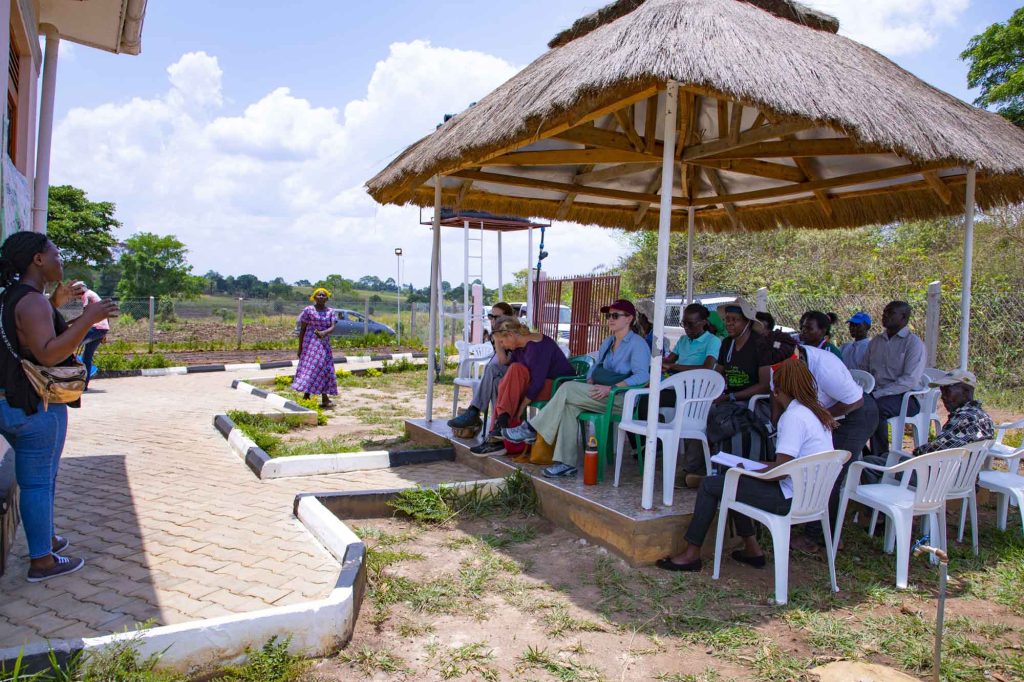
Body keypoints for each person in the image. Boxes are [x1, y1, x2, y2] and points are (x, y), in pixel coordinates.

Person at [0, 232, 118, 581]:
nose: (59, 260)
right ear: (37, 259)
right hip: (36, 407)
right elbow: (48, 352)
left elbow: (29, 338)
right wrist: (89, 316)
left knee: (37, 481)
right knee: (39, 483)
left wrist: (56, 304)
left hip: (11, 404)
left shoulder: (16, 298)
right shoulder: (31, 301)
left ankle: (45, 539)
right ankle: (42, 561)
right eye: (55, 254)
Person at [656, 358, 835, 572]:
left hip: (789, 498)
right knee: (735, 479)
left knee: (712, 485)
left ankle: (691, 553)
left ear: (777, 391)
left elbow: (781, 471)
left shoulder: (794, 417)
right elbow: (790, 464)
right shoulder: (818, 413)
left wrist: (750, 468)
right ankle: (752, 549)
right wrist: (751, 467)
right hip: (812, 497)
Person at [502, 299, 649, 478]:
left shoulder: (637, 344)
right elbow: (595, 367)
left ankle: (532, 428)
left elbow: (643, 376)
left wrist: (611, 388)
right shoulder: (609, 341)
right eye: (609, 315)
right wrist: (589, 381)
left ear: (629, 319)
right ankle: (566, 463)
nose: (610, 319)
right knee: (569, 407)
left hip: (620, 398)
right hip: (599, 394)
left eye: (615, 315)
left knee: (568, 388)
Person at [784, 344, 878, 550]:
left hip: (856, 413)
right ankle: (816, 525)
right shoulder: (784, 362)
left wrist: (817, 418)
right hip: (828, 413)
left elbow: (856, 401)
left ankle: (820, 538)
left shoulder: (825, 365)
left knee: (830, 473)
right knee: (817, 468)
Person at [860, 369, 994, 482]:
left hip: (938, 479)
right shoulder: (980, 415)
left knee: (868, 464)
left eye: (948, 391)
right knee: (885, 458)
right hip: (959, 476)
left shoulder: (964, 416)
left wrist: (916, 452)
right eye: (942, 392)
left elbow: (936, 450)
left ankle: (878, 511)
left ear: (966, 391)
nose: (944, 397)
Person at [486, 316, 574, 439]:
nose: (502, 346)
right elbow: (507, 366)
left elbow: (537, 382)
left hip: (558, 387)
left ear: (510, 335)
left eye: (501, 342)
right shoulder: (519, 347)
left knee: (509, 383)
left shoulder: (537, 346)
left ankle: (500, 428)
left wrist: (522, 407)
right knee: (512, 372)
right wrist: (497, 342)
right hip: (539, 385)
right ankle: (502, 425)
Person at [860, 301, 926, 454]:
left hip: (904, 397)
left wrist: (877, 394)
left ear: (903, 317)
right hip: (875, 393)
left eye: (890, 312)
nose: (885, 315)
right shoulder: (876, 342)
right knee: (850, 406)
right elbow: (864, 370)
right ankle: (858, 452)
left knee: (875, 409)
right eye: (884, 312)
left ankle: (880, 455)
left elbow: (909, 380)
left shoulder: (913, 344)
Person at [448, 302, 516, 446]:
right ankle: (497, 428)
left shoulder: (513, 333)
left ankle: (474, 411)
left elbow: (507, 361)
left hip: (518, 374)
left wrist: (498, 339)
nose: (493, 320)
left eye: (497, 317)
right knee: (496, 382)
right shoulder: (495, 334)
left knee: (491, 369)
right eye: (491, 316)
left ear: (508, 317)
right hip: (504, 374)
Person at [293, 287, 338, 408]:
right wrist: (300, 347)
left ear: (327, 298)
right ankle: (307, 395)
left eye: (324, 295)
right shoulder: (308, 310)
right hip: (310, 343)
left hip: (324, 344)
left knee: (324, 367)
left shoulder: (330, 312)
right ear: (314, 297)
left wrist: (324, 333)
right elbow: (302, 329)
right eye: (319, 295)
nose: (321, 297)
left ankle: (324, 397)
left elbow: (333, 327)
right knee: (312, 368)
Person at [665, 303, 721, 373]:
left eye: (691, 324)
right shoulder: (683, 339)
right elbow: (669, 360)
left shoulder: (713, 341)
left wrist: (674, 366)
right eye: (684, 323)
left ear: (703, 322)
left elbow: (707, 368)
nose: (686, 327)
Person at [79, 284, 109, 389]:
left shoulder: (86, 295)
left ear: (80, 290)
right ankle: (84, 386)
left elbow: (85, 314)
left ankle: (65, 376)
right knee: (87, 357)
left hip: (95, 328)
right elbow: (106, 313)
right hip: (103, 329)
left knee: (71, 345)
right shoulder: (93, 294)